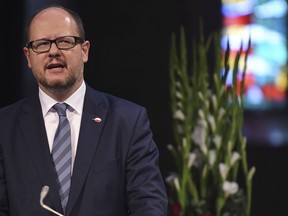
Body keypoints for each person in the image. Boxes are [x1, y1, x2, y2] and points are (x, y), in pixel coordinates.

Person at [0, 4, 168, 216]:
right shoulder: (5, 128)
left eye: (64, 42)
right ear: (28, 57)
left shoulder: (127, 121)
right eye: (42, 44)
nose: (53, 52)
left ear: (84, 50)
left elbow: (148, 204)